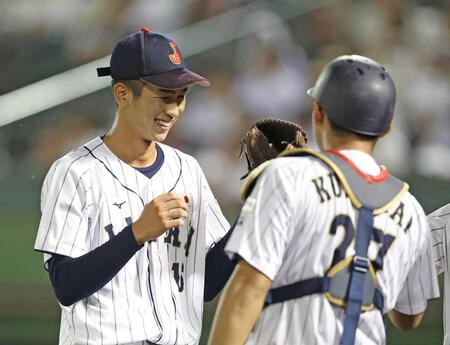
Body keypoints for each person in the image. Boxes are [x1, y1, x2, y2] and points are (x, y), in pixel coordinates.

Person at [207, 55, 439, 345]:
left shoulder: (288, 175)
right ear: (387, 127)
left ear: (318, 112)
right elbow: (410, 317)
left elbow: (247, 290)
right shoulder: (412, 210)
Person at [34, 27, 230, 345]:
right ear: (123, 94)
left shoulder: (188, 170)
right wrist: (136, 234)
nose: (174, 109)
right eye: (164, 97)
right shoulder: (74, 172)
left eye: (181, 98)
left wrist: (256, 205)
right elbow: (65, 286)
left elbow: (205, 284)